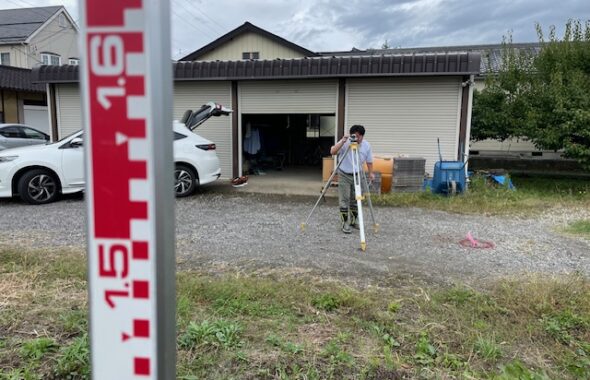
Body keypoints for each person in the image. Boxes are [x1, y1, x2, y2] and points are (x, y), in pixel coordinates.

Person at [330, 125, 374, 234]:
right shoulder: (345, 142)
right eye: (355, 136)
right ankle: (344, 222)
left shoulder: (366, 145)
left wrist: (371, 173)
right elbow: (332, 152)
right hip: (344, 174)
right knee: (344, 199)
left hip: (358, 174)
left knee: (355, 199)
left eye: (360, 137)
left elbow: (369, 161)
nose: (357, 139)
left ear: (363, 136)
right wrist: (342, 141)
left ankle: (354, 221)